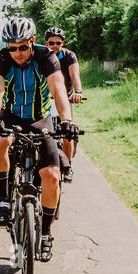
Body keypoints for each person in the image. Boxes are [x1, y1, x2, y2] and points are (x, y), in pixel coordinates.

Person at [0, 17, 77, 260]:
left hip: (39, 118)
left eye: (23, 47)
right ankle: (3, 201)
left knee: (52, 175)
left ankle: (45, 233)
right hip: (11, 115)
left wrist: (66, 121)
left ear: (32, 42)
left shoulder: (46, 57)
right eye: (12, 47)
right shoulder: (2, 59)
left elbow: (57, 90)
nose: (18, 53)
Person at [44, 26, 84, 182]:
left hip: (63, 99)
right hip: (45, 100)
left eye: (58, 43)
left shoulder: (69, 56)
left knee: (68, 133)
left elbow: (75, 75)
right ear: (45, 43)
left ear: (63, 43)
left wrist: (78, 92)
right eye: (51, 42)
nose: (55, 46)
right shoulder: (41, 56)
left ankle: (68, 167)